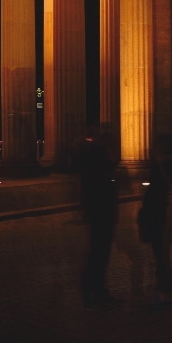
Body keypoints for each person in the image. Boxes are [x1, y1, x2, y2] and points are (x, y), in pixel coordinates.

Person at [71, 124, 121, 307]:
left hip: (96, 208)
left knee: (96, 251)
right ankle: (96, 292)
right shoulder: (97, 155)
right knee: (99, 252)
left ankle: (92, 291)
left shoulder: (90, 154)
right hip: (101, 208)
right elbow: (101, 182)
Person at [135, 134, 172, 308]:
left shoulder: (165, 168)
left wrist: (170, 222)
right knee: (161, 256)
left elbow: (170, 196)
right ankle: (165, 292)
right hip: (160, 216)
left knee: (161, 256)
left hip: (160, 217)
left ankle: (165, 293)